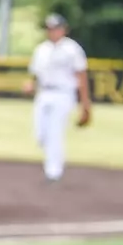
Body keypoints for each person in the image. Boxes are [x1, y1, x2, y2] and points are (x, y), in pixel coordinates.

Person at [25, 13, 92, 181]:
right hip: (44, 93)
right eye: (49, 29)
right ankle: (52, 164)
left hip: (63, 93)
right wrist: (30, 84)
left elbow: (81, 76)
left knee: (55, 132)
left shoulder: (72, 49)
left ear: (64, 29)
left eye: (55, 28)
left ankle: (53, 171)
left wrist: (85, 104)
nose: (52, 32)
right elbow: (34, 74)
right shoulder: (41, 49)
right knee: (40, 134)